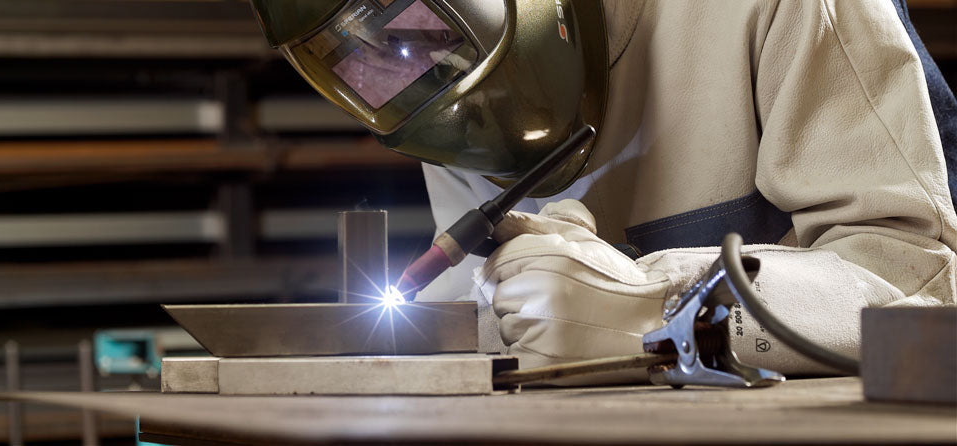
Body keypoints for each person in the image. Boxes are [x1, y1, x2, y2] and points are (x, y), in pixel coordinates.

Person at [251, 0, 956, 381]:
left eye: (401, 36)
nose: (387, 75)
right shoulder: (424, 82)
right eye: (351, 59)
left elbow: (920, 285)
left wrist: (658, 307)